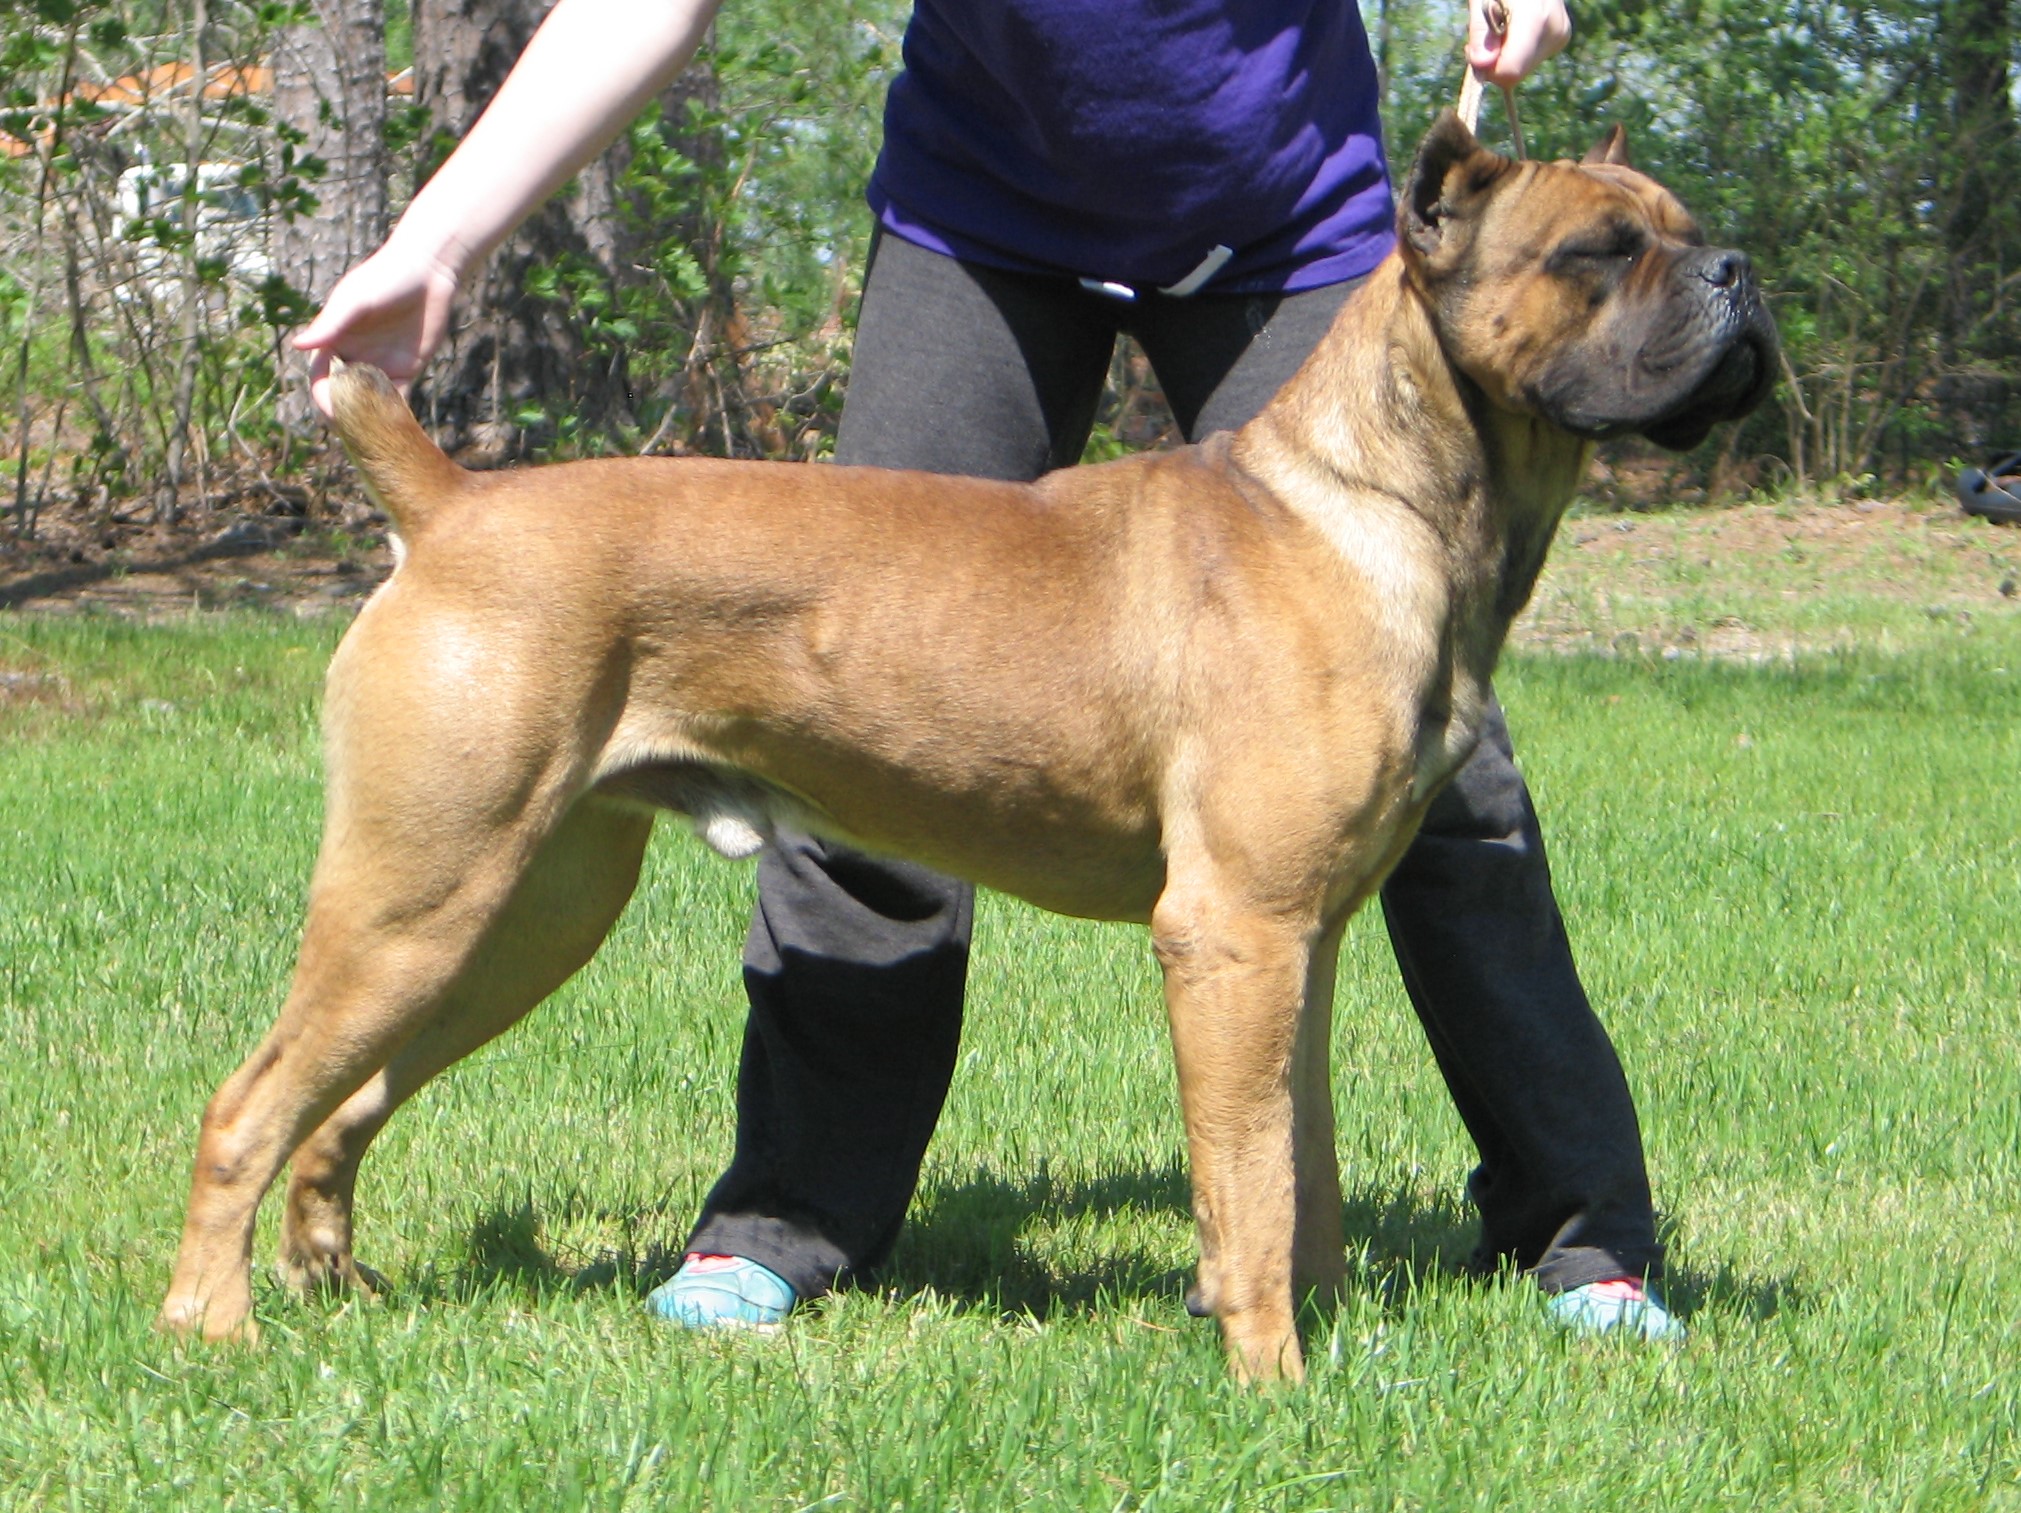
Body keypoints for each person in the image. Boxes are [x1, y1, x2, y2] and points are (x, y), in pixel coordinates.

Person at [299, 0, 1681, 1343]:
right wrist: (438, 239)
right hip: (986, 220)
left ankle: (1579, 1239)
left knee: (1438, 775)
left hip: (1279, 216)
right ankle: (783, 1220)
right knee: (861, 719)